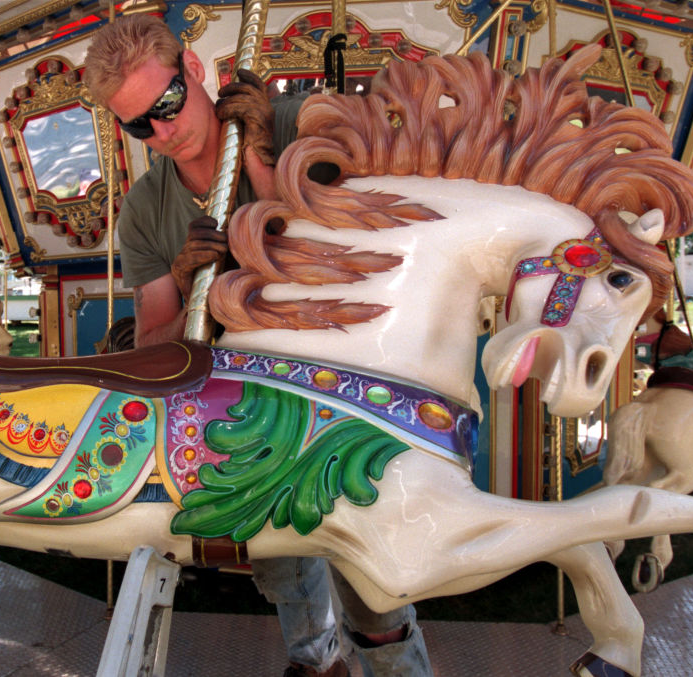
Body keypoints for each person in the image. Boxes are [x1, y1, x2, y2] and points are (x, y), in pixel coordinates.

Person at [83, 15, 432, 677]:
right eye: (139, 124)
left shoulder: (296, 119)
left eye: (165, 106)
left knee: (374, 590)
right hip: (255, 409)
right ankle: (317, 658)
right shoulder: (145, 211)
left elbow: (354, 262)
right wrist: (187, 286)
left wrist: (262, 162)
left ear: (192, 70)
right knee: (281, 563)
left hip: (348, 386)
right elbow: (154, 346)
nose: (161, 132)